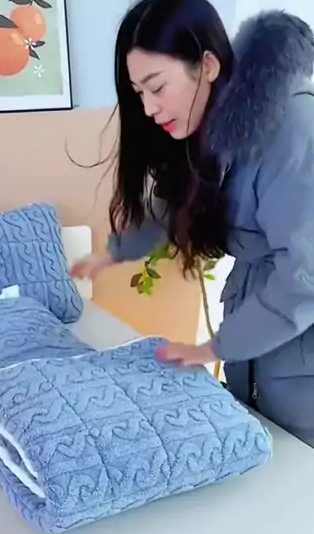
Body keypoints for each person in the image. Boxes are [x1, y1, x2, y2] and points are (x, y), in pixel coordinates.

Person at [70, 0, 314, 448]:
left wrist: (212, 348)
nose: (148, 108)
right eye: (139, 93)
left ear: (207, 65)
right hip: (262, 355)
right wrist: (113, 253)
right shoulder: (214, 128)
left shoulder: (295, 128)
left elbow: (304, 277)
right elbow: (178, 205)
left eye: (157, 87)